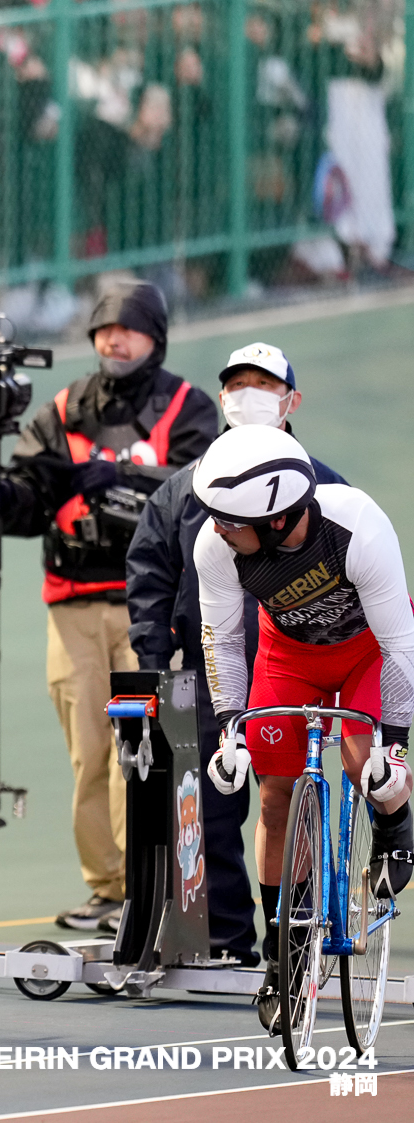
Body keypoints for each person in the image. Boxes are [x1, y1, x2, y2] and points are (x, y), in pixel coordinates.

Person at [0, 282, 218, 932]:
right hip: (74, 605)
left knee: (144, 747)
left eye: (129, 329)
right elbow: (35, 493)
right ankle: (108, 888)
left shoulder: (189, 407)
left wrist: (127, 477)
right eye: (104, 329)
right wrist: (7, 500)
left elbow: (207, 487)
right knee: (90, 751)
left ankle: (154, 885)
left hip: (152, 604)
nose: (114, 339)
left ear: (155, 337)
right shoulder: (63, 407)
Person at [126, 342, 346, 964]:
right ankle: (227, 943)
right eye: (237, 385)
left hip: (297, 668)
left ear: (291, 401)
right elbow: (150, 574)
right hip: (204, 673)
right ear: (222, 398)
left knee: (289, 801)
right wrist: (153, 661)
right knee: (212, 815)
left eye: (264, 384)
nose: (248, 395)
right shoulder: (184, 491)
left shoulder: (324, 486)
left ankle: (296, 936)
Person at [192, 423, 413, 1027]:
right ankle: (283, 955)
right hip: (287, 657)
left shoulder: (357, 526)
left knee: (362, 757)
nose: (214, 528)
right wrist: (231, 730)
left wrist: (394, 750)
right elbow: (223, 640)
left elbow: (400, 649)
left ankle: (396, 827)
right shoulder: (216, 549)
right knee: (273, 797)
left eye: (226, 519)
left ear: (277, 518)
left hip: (369, 649)